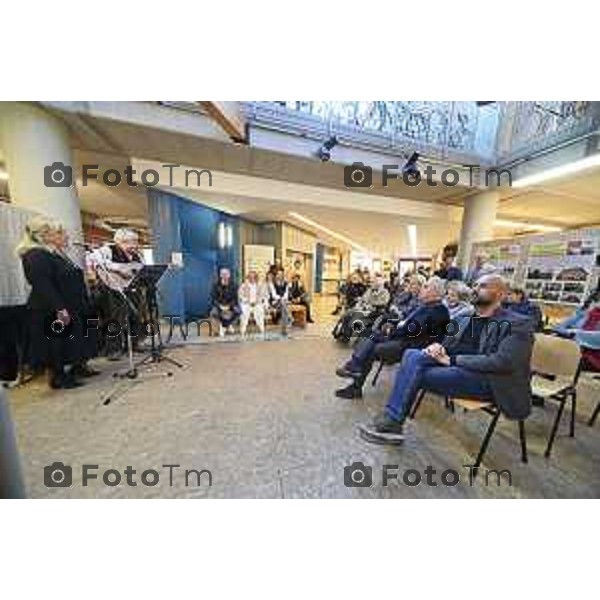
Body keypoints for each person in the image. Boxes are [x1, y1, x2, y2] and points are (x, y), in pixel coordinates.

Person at [359, 274, 534, 444]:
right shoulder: (465, 318)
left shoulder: (518, 323)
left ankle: (393, 421)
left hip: (490, 380)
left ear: (501, 294)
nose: (475, 289)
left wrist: (453, 360)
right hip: (457, 366)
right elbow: (448, 343)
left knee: (418, 373)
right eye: (475, 285)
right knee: (411, 354)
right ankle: (393, 419)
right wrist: (439, 347)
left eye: (483, 286)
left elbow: (502, 362)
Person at [335, 277, 449, 399]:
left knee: (372, 347)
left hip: (413, 347)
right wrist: (393, 326)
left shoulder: (437, 310)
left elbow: (412, 330)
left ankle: (355, 372)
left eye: (426, 287)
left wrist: (392, 331)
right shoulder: (428, 306)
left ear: (435, 292)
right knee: (370, 335)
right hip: (406, 339)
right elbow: (408, 324)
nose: (422, 289)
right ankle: (355, 368)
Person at [17, 217, 98, 389]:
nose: (64, 235)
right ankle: (59, 377)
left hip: (67, 304)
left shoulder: (52, 253)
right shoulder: (35, 255)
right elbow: (42, 285)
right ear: (43, 235)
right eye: (58, 232)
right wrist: (60, 308)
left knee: (68, 341)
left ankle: (77, 367)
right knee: (56, 344)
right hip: (49, 308)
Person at [87, 228, 145, 359]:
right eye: (131, 242)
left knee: (134, 315)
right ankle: (114, 349)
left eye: (135, 241)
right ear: (119, 241)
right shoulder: (107, 250)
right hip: (112, 288)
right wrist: (118, 268)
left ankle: (134, 344)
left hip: (131, 288)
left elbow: (139, 268)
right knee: (115, 319)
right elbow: (92, 259)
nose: (134, 245)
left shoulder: (138, 254)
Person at [210, 267, 240, 336]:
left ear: (229, 275)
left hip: (230, 304)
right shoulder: (216, 285)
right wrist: (220, 306)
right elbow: (214, 298)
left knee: (238, 311)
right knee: (213, 312)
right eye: (223, 274)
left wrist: (229, 306)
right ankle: (226, 326)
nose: (225, 276)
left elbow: (235, 298)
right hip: (219, 305)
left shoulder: (234, 285)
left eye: (226, 274)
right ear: (220, 275)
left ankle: (224, 325)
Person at [239, 271, 269, 336]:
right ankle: (243, 330)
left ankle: (261, 329)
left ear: (256, 278)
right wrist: (247, 301)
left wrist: (258, 301)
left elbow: (264, 295)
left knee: (260, 310)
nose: (252, 278)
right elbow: (240, 296)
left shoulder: (260, 285)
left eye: (254, 277)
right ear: (248, 278)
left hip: (257, 303)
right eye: (250, 277)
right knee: (244, 311)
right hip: (247, 303)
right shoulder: (244, 285)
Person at [269, 269, 291, 333]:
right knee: (284, 306)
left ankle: (284, 329)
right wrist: (280, 298)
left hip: (283, 302)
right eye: (278, 274)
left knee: (283, 307)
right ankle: (289, 318)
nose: (280, 276)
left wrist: (283, 298)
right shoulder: (272, 283)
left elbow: (286, 294)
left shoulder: (286, 283)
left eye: (281, 274)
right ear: (276, 275)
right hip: (275, 302)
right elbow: (273, 295)